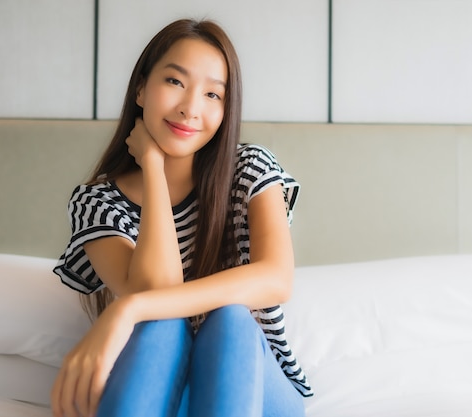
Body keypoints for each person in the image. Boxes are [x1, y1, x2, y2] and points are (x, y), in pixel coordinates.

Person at [50, 18, 312, 417]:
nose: (191, 108)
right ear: (141, 88)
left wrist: (127, 309)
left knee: (229, 319)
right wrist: (153, 168)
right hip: (154, 382)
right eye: (175, 82)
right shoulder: (98, 202)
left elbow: (276, 278)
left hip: (251, 386)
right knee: (160, 327)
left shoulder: (250, 169)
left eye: (212, 94)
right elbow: (156, 288)